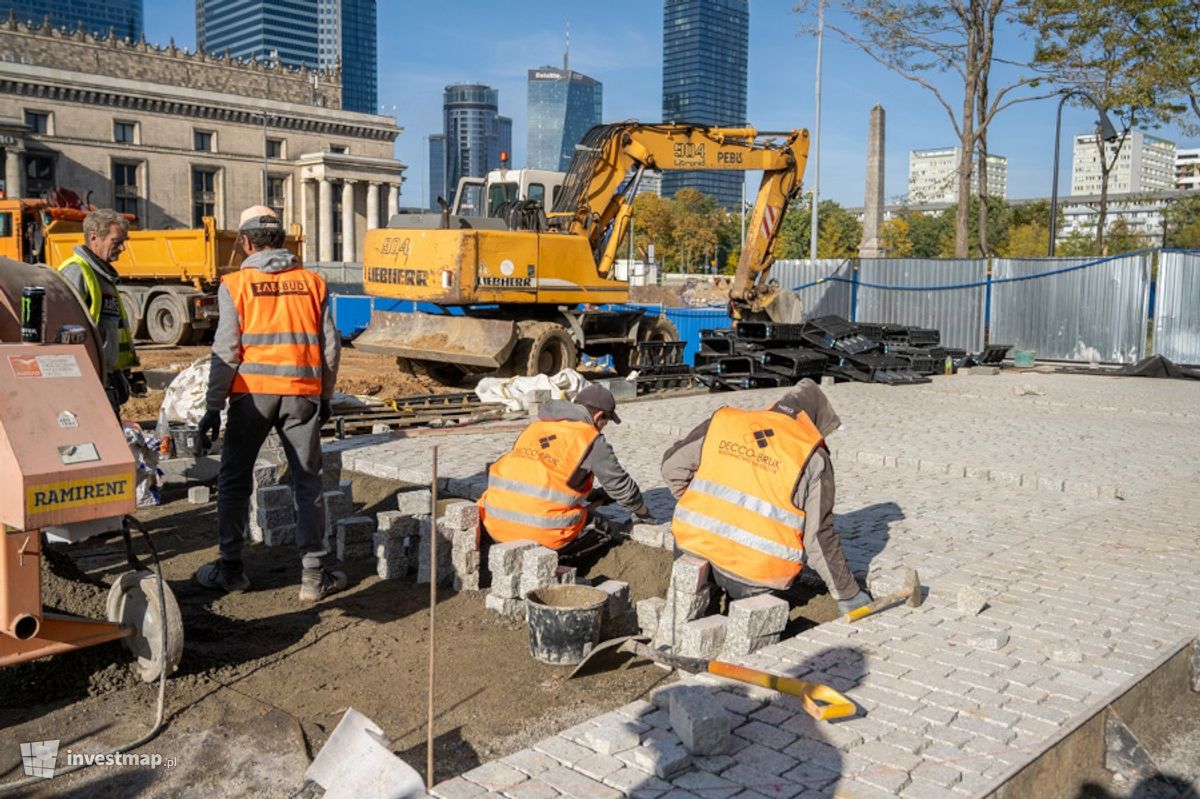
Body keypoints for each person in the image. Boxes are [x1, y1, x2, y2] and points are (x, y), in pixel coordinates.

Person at [193, 206, 344, 602]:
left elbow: (225, 349)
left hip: (251, 397)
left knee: (234, 480)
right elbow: (330, 346)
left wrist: (213, 405)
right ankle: (313, 577)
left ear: (245, 243)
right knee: (307, 481)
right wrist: (325, 395)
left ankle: (231, 570)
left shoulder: (236, 285)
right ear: (282, 241)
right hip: (301, 394)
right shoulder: (313, 283)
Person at [660, 379, 871, 614]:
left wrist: (699, 505)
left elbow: (671, 468)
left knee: (693, 618)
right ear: (816, 424)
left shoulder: (724, 422)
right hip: (757, 571)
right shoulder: (814, 458)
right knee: (741, 628)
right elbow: (819, 537)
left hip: (694, 544)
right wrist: (848, 594)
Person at [478, 383, 655, 555]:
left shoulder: (535, 428)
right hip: (539, 535)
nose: (603, 428)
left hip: (493, 524)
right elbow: (621, 487)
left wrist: (594, 496)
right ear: (598, 416)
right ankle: (568, 565)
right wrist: (643, 513)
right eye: (605, 422)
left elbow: (545, 478)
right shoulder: (590, 439)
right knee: (604, 529)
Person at [57, 209, 139, 416]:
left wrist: (119, 371)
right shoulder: (76, 271)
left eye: (124, 241)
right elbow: (61, 332)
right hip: (87, 379)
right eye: (116, 241)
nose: (122, 248)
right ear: (94, 237)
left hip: (105, 376)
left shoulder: (102, 276)